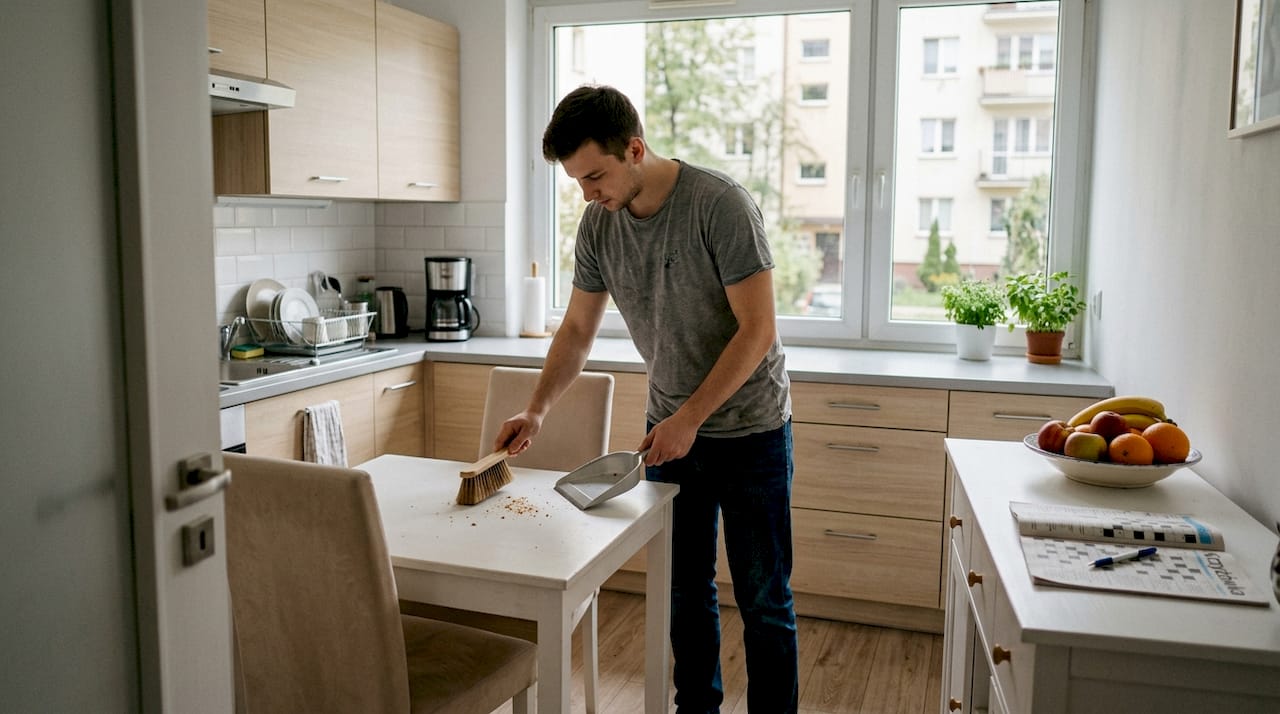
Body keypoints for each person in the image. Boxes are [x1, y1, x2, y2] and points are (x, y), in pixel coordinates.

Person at [494, 84, 798, 713]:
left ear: (635, 149)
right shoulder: (599, 225)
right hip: (671, 435)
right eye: (577, 181)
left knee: (764, 599)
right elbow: (577, 329)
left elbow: (758, 330)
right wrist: (538, 408)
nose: (588, 194)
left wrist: (689, 417)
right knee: (685, 592)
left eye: (596, 175)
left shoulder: (720, 206)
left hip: (751, 432)